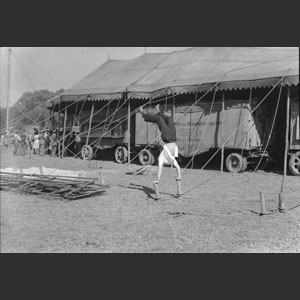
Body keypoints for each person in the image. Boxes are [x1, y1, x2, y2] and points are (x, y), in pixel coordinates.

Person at [137, 104, 182, 199]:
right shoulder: (172, 160)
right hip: (173, 138)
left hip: (167, 137)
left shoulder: (162, 158)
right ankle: (158, 111)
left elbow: (160, 169)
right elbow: (178, 167)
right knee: (170, 119)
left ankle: (142, 113)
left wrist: (157, 180)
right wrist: (178, 177)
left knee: (159, 119)